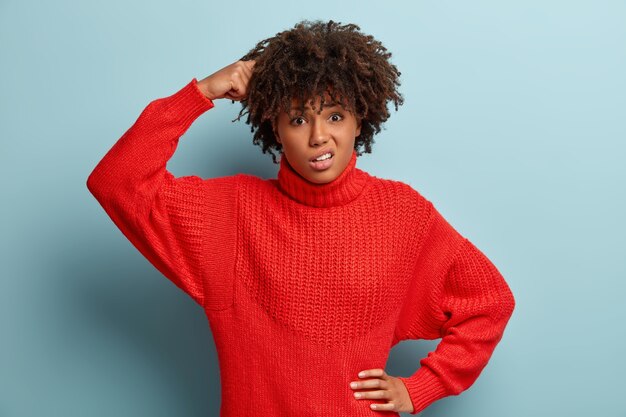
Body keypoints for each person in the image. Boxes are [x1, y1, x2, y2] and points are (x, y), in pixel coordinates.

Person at [87, 20, 515, 416]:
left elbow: (489, 302)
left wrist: (422, 386)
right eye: (297, 118)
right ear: (275, 127)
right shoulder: (229, 214)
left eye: (334, 115)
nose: (318, 136)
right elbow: (116, 182)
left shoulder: (401, 215)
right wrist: (200, 93)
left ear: (358, 120)